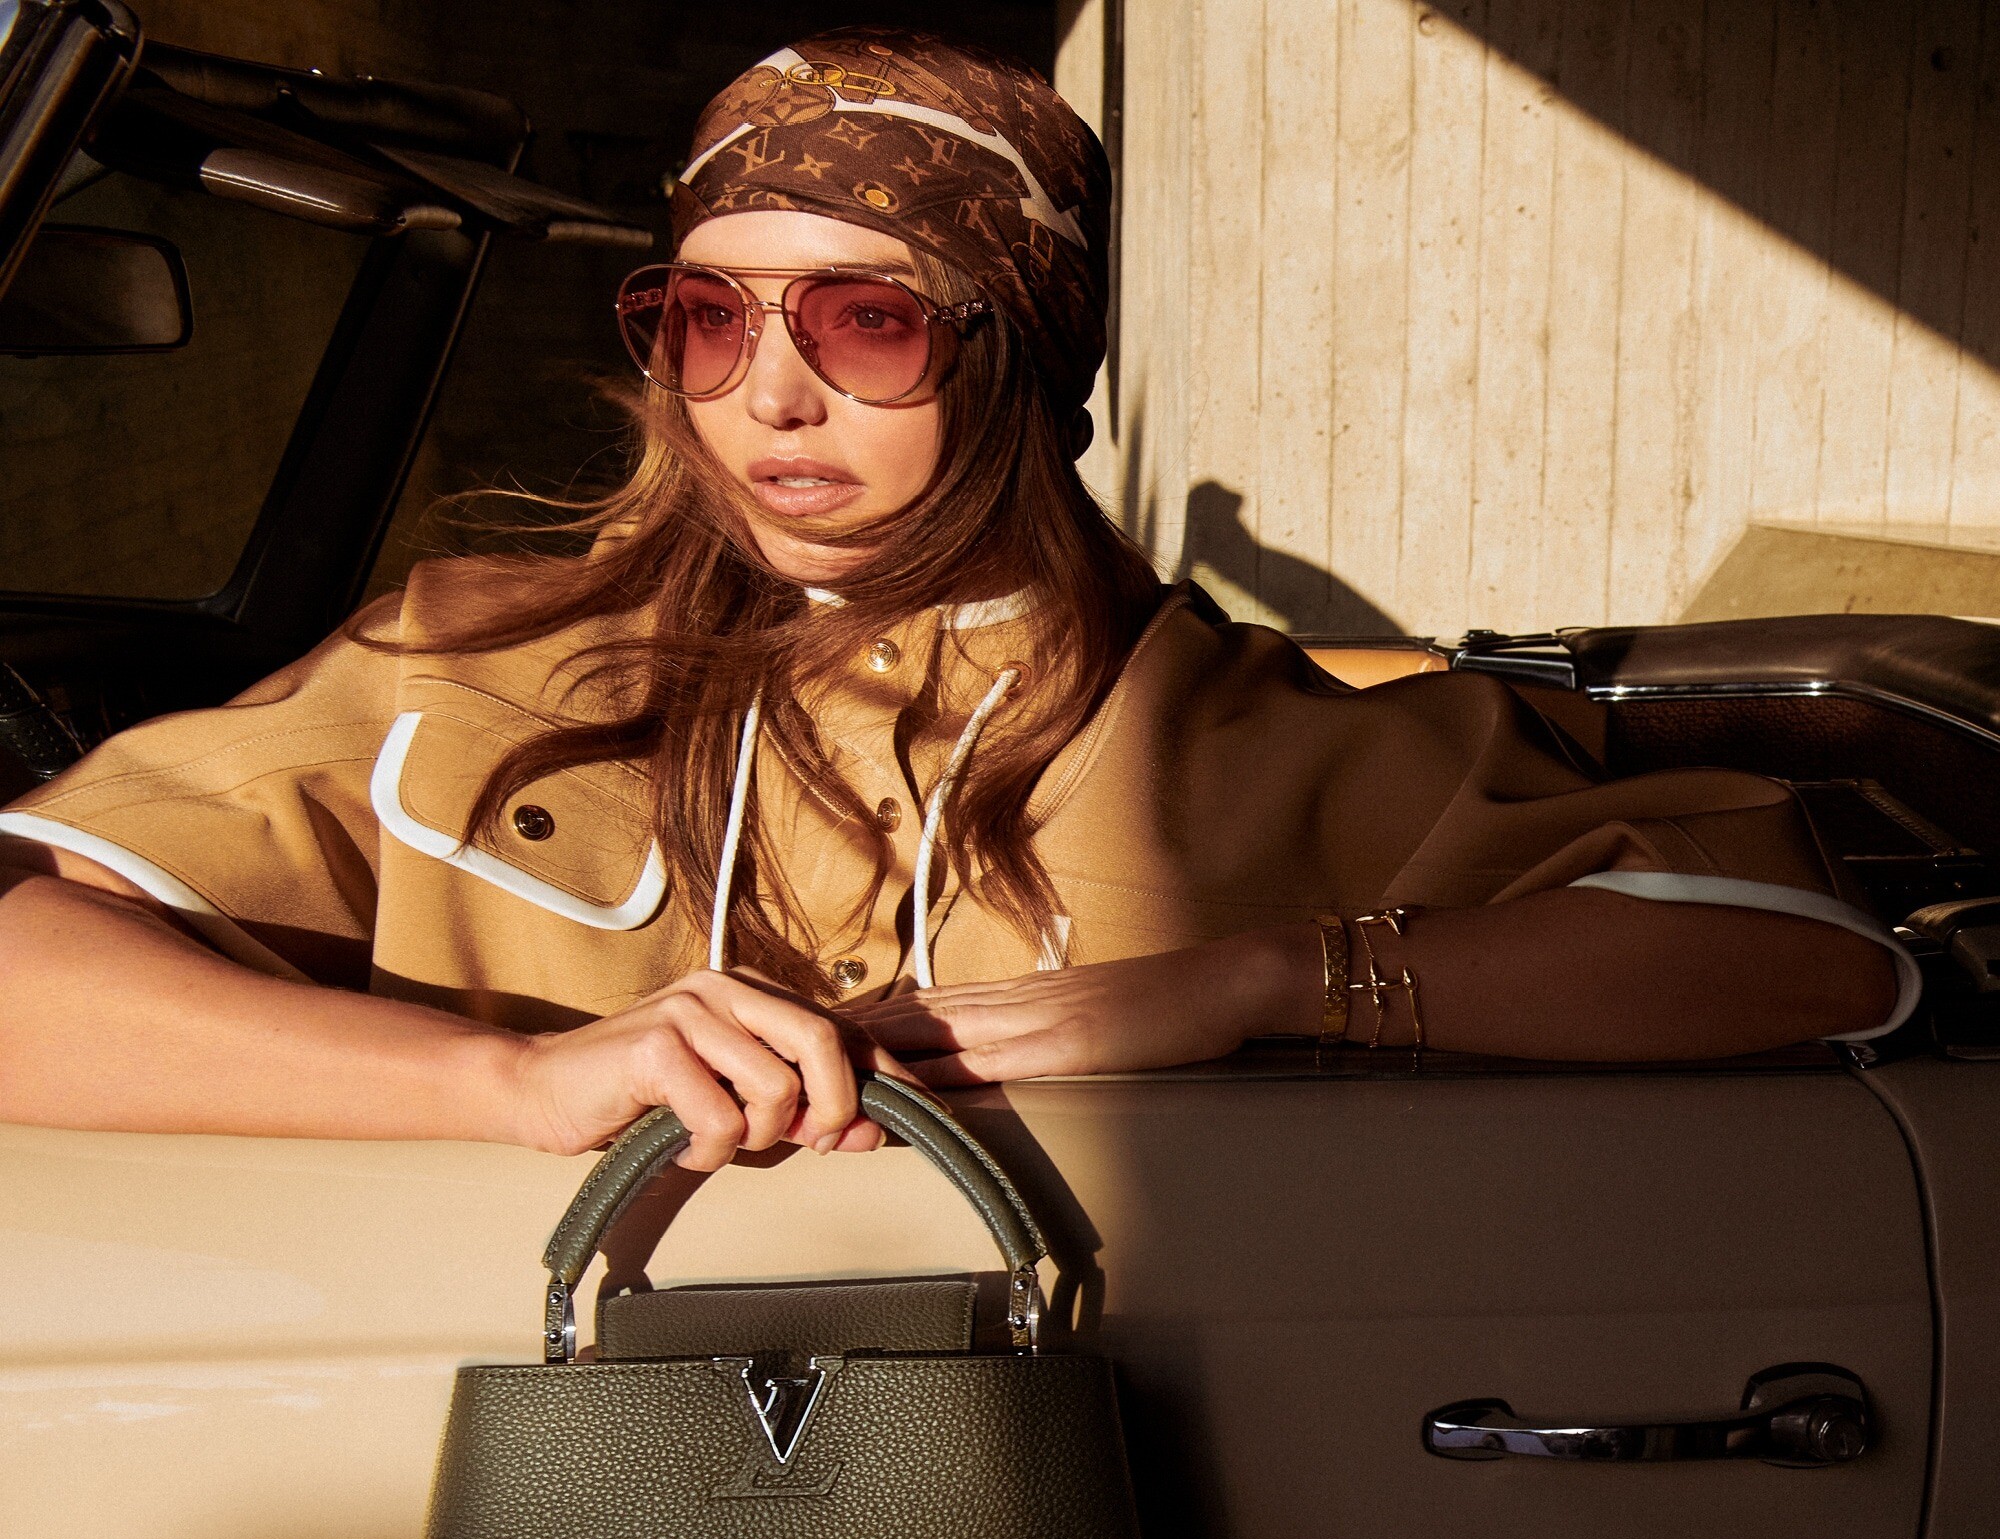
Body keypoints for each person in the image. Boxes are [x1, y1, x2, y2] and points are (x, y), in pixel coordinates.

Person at [0, 29, 1908, 1171]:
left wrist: (1247, 982)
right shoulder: (476, 661)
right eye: (707, 317)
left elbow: (1814, 957)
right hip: (511, 1457)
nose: (769, 394)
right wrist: (504, 1083)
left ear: (1020, 355)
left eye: (866, 321)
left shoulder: (1241, 743)